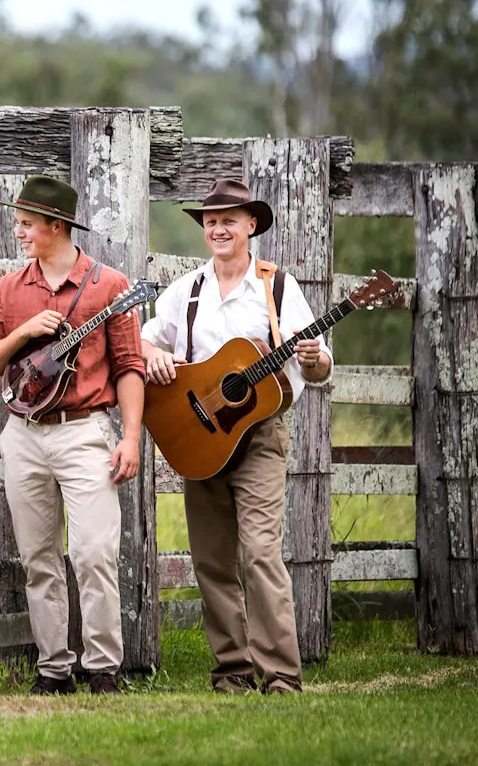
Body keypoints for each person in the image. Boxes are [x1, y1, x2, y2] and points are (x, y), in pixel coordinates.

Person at [140, 177, 332, 695]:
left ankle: (282, 675)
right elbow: (141, 342)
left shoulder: (277, 288)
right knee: (210, 558)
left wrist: (314, 359)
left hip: (260, 436)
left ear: (251, 226)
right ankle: (232, 670)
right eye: (211, 221)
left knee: (261, 553)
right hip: (201, 437)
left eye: (229, 219)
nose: (219, 228)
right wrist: (153, 353)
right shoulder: (187, 291)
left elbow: (318, 366)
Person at [0, 176, 145, 696]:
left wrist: (131, 437)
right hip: (23, 434)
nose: (19, 232)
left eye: (27, 224)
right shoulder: (10, 288)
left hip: (85, 431)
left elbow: (130, 366)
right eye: (18, 223)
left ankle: (103, 668)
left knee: (94, 552)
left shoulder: (109, 285)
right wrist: (24, 333)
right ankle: (53, 669)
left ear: (56, 225)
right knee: (38, 559)